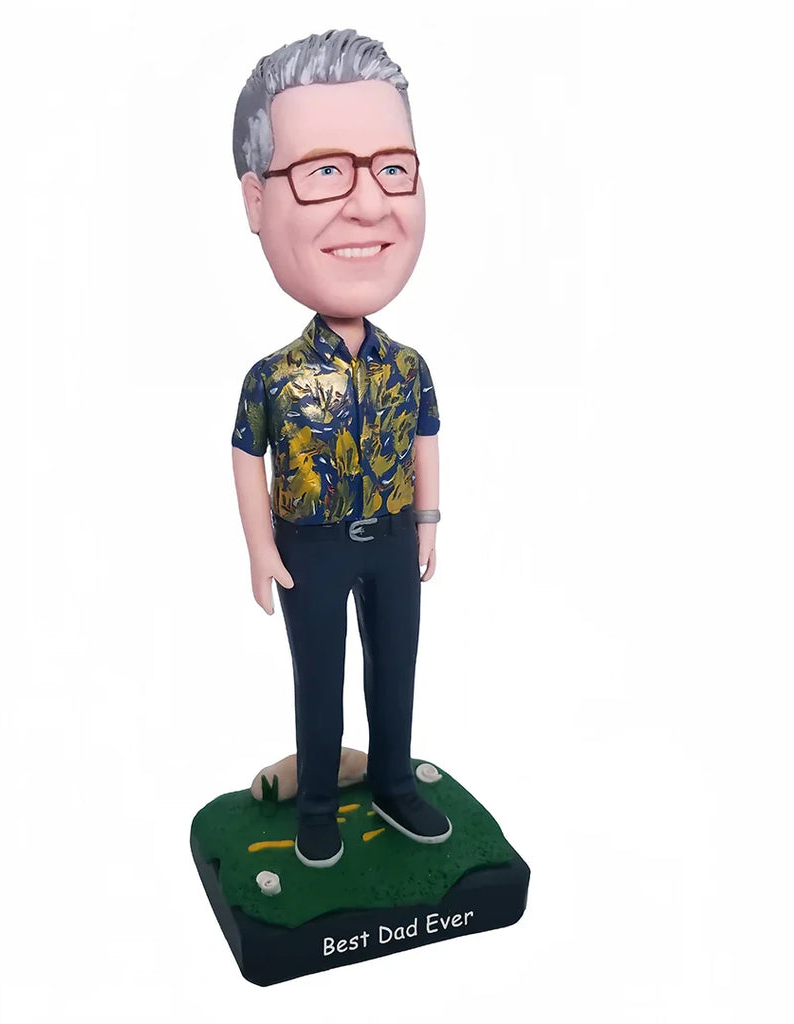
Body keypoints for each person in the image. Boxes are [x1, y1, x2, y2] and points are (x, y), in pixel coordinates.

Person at [230, 28, 451, 869]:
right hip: (310, 546)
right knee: (318, 676)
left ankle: (392, 780)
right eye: (325, 171)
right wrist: (260, 548)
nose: (367, 203)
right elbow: (247, 454)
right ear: (257, 201)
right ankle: (317, 802)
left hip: (393, 539)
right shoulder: (274, 376)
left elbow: (426, 436)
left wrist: (427, 521)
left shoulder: (408, 365)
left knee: (397, 667)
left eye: (393, 168)